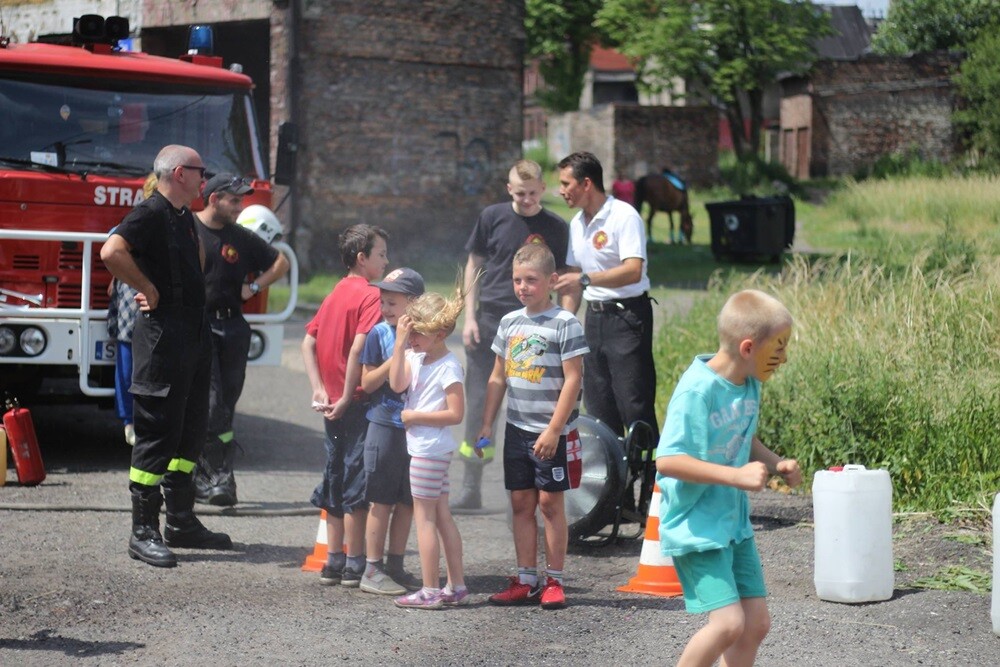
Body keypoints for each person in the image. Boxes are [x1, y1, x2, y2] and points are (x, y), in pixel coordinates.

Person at [100, 145, 232, 568]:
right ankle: (143, 531)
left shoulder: (181, 215)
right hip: (162, 339)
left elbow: (195, 258)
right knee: (157, 433)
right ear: (179, 173)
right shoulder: (151, 211)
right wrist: (148, 287)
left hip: (193, 334)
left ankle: (180, 521)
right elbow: (111, 251)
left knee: (190, 431)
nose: (204, 178)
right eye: (200, 171)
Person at [655, 289, 802, 667]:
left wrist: (775, 462)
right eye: (780, 348)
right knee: (727, 624)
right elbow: (668, 461)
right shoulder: (696, 390)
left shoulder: (748, 382)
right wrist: (735, 476)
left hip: (732, 525)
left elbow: (742, 434)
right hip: (696, 527)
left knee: (755, 624)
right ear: (749, 347)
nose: (785, 358)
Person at [456, 158, 572, 511]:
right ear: (509, 190)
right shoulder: (492, 217)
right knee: (479, 404)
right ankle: (471, 484)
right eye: (520, 193)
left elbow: (565, 275)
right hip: (490, 319)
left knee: (534, 407)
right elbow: (474, 265)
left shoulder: (556, 226)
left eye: (533, 193)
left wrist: (565, 319)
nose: (526, 200)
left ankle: (533, 486)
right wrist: (469, 318)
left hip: (536, 327)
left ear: (543, 190)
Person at [479, 244, 588, 609]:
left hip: (550, 431)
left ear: (553, 281)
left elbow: (573, 380)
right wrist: (486, 425)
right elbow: (498, 377)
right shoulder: (509, 323)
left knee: (550, 504)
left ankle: (554, 580)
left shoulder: (565, 323)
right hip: (517, 429)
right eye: (517, 280)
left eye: (531, 280)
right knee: (521, 502)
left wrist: (555, 430)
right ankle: (526, 579)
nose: (523, 287)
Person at [193, 173, 290, 506]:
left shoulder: (240, 237)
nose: (240, 206)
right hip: (198, 328)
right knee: (212, 403)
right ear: (213, 198)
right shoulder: (188, 229)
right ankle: (217, 478)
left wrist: (255, 287)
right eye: (234, 200)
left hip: (233, 328)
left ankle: (209, 477)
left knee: (226, 405)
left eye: (241, 200)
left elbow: (281, 263)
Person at [301, 224, 388, 587]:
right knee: (356, 482)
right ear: (362, 258)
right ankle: (355, 563)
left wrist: (319, 389)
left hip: (330, 404)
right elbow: (359, 348)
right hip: (355, 404)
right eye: (381, 254)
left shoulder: (336, 290)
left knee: (334, 475)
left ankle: (333, 562)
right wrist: (349, 394)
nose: (386, 261)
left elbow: (308, 341)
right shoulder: (370, 295)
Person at [554, 151, 659, 441]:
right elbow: (573, 280)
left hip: (627, 317)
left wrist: (585, 279)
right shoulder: (576, 223)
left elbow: (633, 270)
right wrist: (564, 322)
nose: (561, 191)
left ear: (586, 184)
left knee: (633, 402)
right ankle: (614, 483)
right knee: (599, 405)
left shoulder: (624, 216)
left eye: (566, 184)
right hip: (595, 318)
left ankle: (650, 482)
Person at [388, 288, 469, 609]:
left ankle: (430, 590)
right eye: (411, 332)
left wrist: (414, 415)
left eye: (419, 334)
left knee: (425, 520)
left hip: (428, 450)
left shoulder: (449, 366)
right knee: (441, 514)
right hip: (431, 449)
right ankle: (456, 586)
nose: (413, 339)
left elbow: (456, 414)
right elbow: (396, 384)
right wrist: (399, 343)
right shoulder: (415, 356)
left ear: (441, 333)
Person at [358, 267, 426, 595]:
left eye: (393, 302)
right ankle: (372, 569)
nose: (385, 308)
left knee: (408, 501)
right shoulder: (377, 334)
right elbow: (367, 382)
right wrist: (397, 351)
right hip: (384, 424)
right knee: (380, 500)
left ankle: (396, 565)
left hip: (414, 428)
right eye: (383, 301)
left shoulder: (426, 335)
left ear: (414, 304)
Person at [106, 172, 157, 447]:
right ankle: (130, 422)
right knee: (128, 361)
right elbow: (114, 246)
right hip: (134, 297)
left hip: (141, 295)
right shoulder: (141, 219)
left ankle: (137, 421)